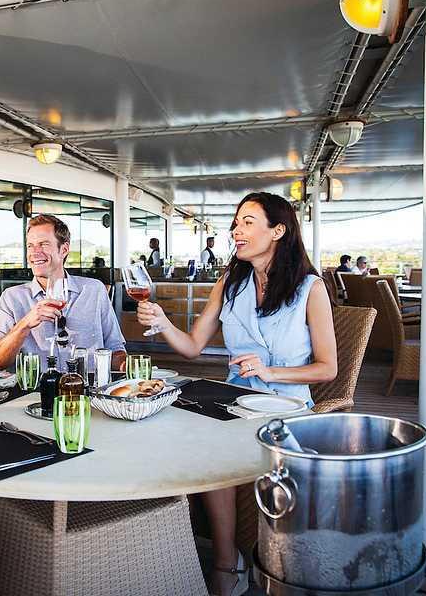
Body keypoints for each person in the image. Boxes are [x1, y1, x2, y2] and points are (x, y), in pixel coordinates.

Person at [137, 192, 336, 596]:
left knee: (210, 447)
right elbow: (192, 346)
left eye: (247, 222)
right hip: (235, 400)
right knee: (191, 441)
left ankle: (266, 559)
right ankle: (226, 561)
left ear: (278, 231)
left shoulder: (310, 289)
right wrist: (162, 321)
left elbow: (327, 368)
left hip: (287, 408)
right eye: (236, 222)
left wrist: (270, 371)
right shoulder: (231, 282)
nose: (236, 230)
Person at [0, 214, 127, 372]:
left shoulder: (94, 289)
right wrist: (25, 324)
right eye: (30, 246)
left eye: (43, 244)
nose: (35, 252)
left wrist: (128, 366)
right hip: (36, 388)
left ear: (64, 249)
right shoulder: (12, 297)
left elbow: (114, 349)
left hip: (87, 387)